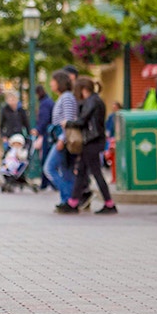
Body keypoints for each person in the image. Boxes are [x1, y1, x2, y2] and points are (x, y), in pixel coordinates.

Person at [58, 77, 116, 214]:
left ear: (83, 89)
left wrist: (68, 123)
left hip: (92, 141)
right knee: (82, 171)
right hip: (92, 141)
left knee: (95, 172)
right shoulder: (95, 100)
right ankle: (73, 203)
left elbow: (83, 120)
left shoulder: (92, 101)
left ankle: (109, 204)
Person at [43, 70, 79, 210]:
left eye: (53, 81)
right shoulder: (64, 97)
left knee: (49, 168)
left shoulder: (67, 98)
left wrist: (62, 139)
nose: (51, 83)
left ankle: (70, 196)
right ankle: (68, 201)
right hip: (60, 137)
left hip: (62, 138)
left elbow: (69, 120)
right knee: (66, 171)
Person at [34, 84, 54, 189]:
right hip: (49, 133)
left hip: (47, 134)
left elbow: (44, 118)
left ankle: (47, 183)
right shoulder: (49, 101)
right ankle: (47, 182)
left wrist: (38, 129)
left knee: (46, 158)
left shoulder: (44, 104)